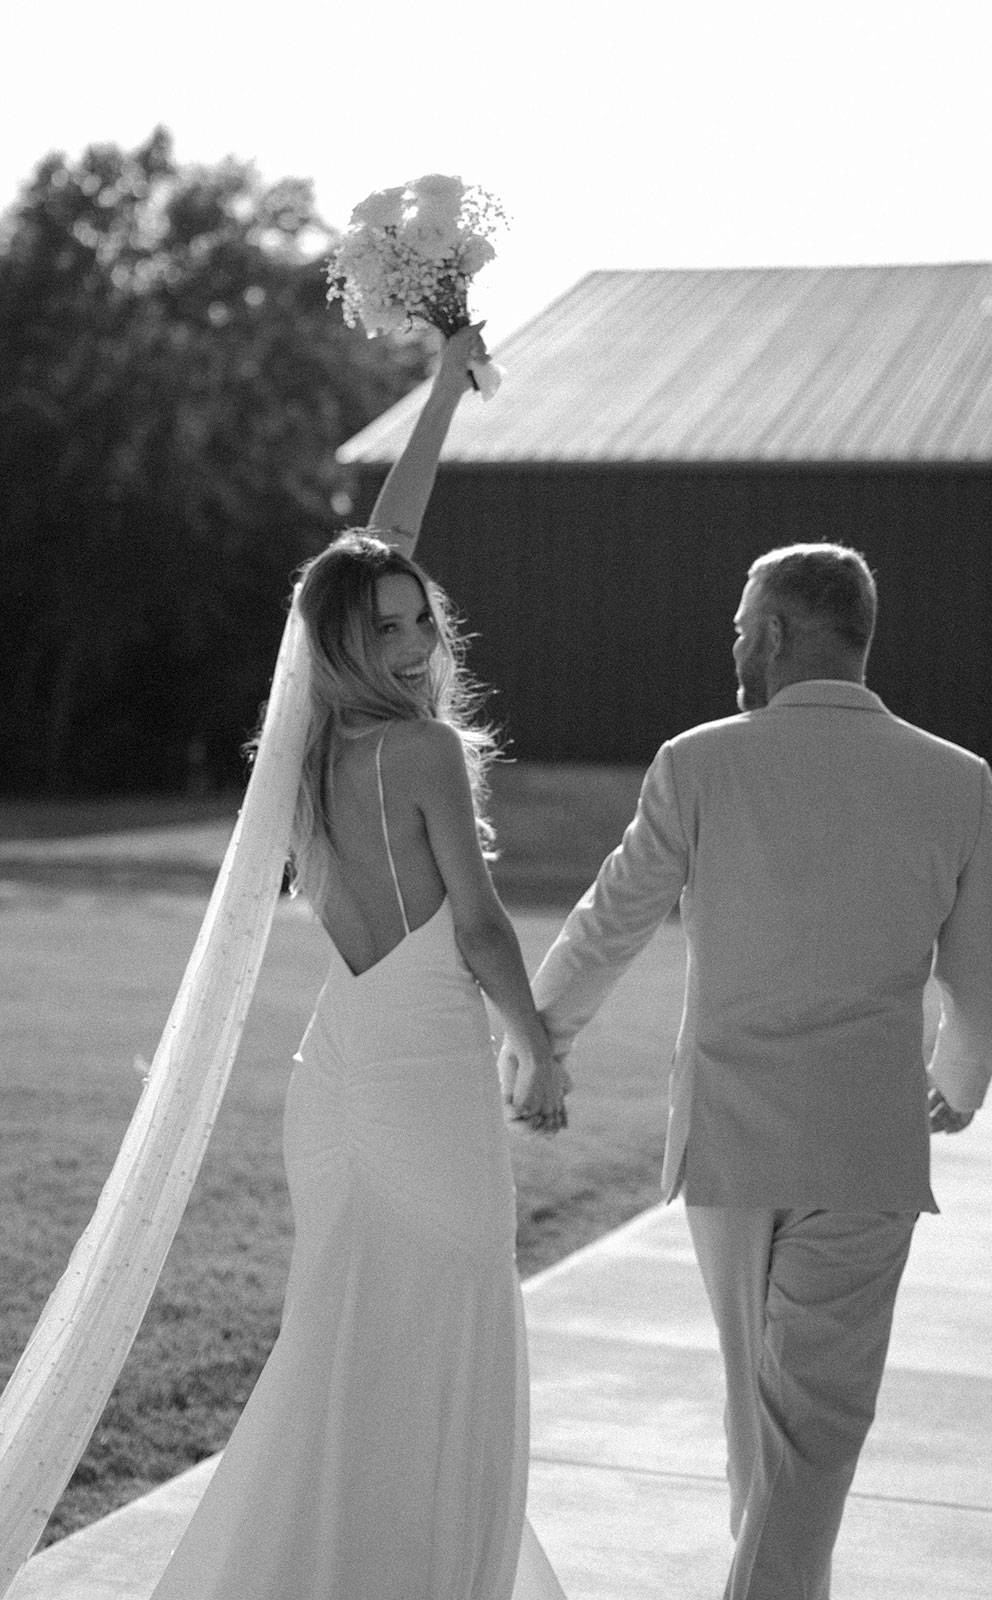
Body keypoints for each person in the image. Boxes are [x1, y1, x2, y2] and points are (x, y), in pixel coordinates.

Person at [500, 542, 992, 1599]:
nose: (731, 643)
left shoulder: (696, 760)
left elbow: (609, 922)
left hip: (728, 1140)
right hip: (862, 1143)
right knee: (806, 1433)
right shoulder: (955, 779)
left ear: (776, 634)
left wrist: (537, 1046)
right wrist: (956, 1084)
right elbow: (988, 979)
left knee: (764, 1417)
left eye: (740, 625)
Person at [149, 326, 570, 1600]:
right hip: (423, 1068)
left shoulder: (310, 749)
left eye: (417, 620)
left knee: (348, 1346)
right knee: (448, 1334)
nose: (410, 639)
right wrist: (535, 1047)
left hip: (338, 1068)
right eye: (384, 627)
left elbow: (375, 545)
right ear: (341, 639)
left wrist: (442, 390)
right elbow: (484, 928)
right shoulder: (422, 752)